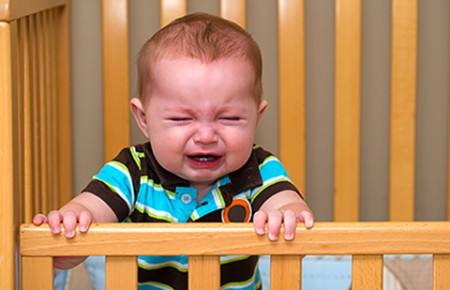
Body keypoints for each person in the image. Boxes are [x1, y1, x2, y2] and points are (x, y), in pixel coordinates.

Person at [33, 12, 314, 289]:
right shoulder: (133, 171)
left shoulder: (259, 169)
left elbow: (287, 205)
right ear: (143, 119)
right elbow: (90, 208)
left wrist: (290, 216)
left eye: (229, 118)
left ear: (256, 116)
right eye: (181, 119)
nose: (206, 136)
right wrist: (72, 222)